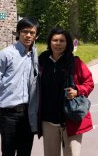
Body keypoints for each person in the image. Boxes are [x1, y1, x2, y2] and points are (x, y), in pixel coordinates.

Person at [0, 17, 40, 156]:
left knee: (25, 152)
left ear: (36, 36)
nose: (28, 35)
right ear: (18, 33)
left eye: (32, 33)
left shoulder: (34, 54)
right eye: (25, 31)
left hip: (28, 114)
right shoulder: (5, 54)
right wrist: (7, 94)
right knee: (8, 152)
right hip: (9, 114)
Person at [39, 28, 94, 156]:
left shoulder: (75, 62)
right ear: (50, 42)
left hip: (71, 120)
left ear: (67, 43)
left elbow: (89, 83)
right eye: (55, 40)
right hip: (48, 121)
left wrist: (77, 91)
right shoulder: (42, 62)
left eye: (62, 41)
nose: (58, 43)